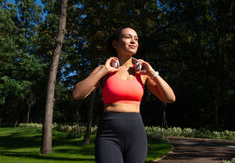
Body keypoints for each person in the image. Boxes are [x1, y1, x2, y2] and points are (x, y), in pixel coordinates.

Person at [72, 26, 176, 163]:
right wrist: (103, 71)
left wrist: (152, 73)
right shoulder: (104, 70)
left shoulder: (143, 73)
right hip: (108, 135)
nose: (133, 41)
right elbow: (77, 94)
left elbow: (170, 98)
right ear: (115, 43)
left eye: (136, 39)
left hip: (136, 135)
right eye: (128, 37)